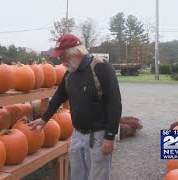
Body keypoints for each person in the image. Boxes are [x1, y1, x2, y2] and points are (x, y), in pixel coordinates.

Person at [28, 33, 122, 180]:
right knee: (77, 176)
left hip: (98, 136)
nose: (61, 60)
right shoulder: (70, 73)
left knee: (97, 177)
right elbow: (58, 96)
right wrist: (44, 119)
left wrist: (110, 136)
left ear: (75, 52)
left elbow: (114, 103)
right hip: (77, 134)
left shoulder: (101, 67)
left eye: (62, 56)